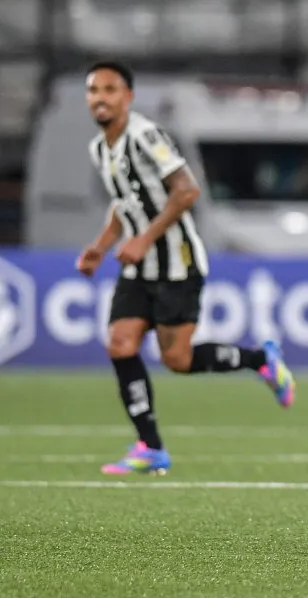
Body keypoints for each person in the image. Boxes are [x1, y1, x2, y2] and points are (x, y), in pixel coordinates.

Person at [75, 60, 296, 476]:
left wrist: (143, 239)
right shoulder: (101, 148)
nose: (100, 98)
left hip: (177, 265)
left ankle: (260, 361)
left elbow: (187, 190)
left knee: (176, 358)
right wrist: (100, 247)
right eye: (94, 90)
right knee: (120, 344)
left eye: (110, 90)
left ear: (128, 97)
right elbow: (125, 205)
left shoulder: (145, 136)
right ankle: (150, 446)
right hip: (140, 270)